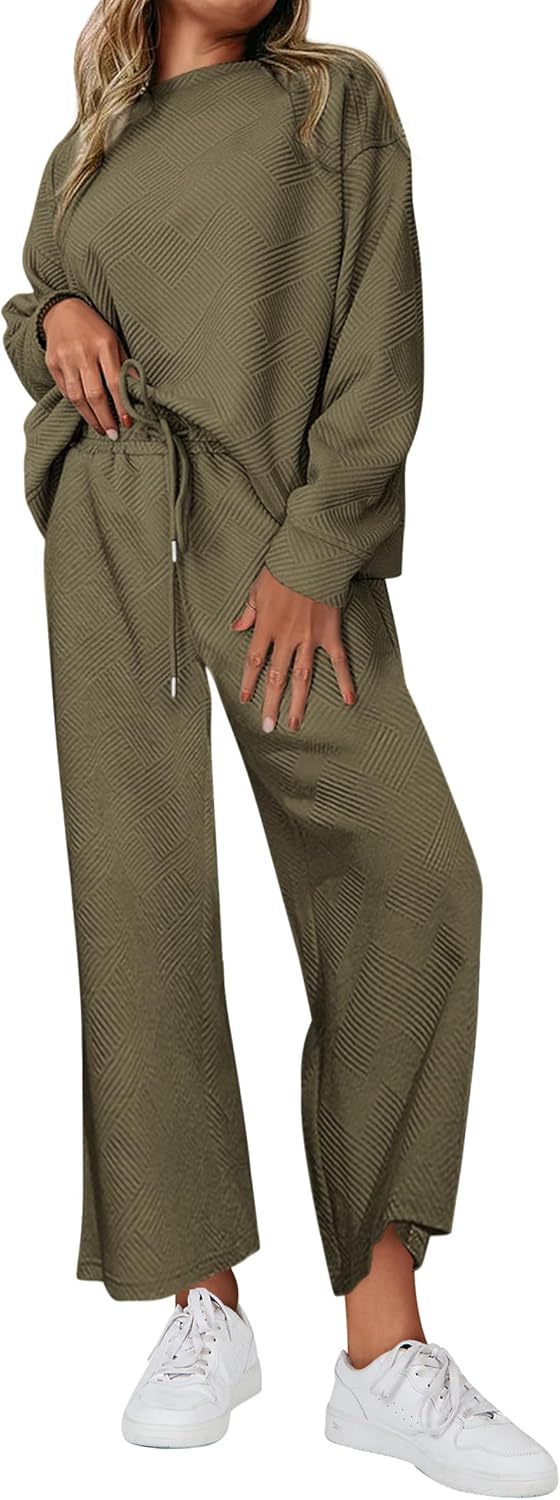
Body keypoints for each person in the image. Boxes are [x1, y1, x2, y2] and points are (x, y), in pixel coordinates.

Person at [2, 1, 556, 1492]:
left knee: (413, 878)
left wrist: (317, 550)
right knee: (142, 901)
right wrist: (43, 323)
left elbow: (380, 336)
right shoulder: (86, 146)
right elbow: (45, 300)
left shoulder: (332, 105)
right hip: (116, 529)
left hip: (276, 547)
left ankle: (382, 1352)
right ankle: (203, 1304)